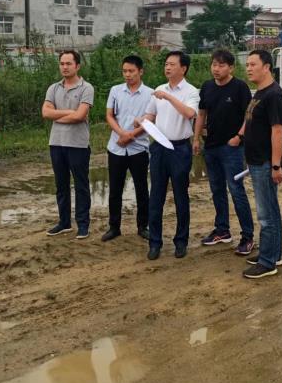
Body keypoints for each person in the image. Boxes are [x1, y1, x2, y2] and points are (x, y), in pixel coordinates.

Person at [137, 51, 199, 261]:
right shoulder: (159, 89)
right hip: (159, 148)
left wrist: (170, 98)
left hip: (180, 149)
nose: (168, 68)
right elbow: (151, 114)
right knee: (156, 196)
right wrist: (142, 121)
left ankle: (181, 241)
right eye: (166, 64)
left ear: (183, 68)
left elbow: (190, 114)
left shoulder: (191, 91)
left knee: (181, 196)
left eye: (172, 64)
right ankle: (155, 242)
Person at [194, 49, 255, 255]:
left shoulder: (240, 87)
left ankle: (247, 236)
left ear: (231, 68)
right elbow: (202, 113)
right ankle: (222, 230)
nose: (216, 69)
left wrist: (239, 137)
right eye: (214, 64)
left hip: (232, 149)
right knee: (217, 190)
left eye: (221, 65)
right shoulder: (207, 87)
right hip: (211, 146)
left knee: (236, 190)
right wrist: (196, 138)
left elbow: (249, 116)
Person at [239, 50, 282, 279]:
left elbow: (277, 131)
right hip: (256, 160)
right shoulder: (260, 92)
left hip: (265, 163)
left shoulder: (273, 95)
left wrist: (275, 166)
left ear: (266, 67)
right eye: (247, 64)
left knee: (266, 215)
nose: (249, 68)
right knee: (271, 211)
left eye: (253, 64)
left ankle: (268, 263)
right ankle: (273, 254)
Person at [41, 50, 95, 239]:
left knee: (81, 185)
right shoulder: (53, 88)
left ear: (77, 66)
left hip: (78, 144)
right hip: (56, 143)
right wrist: (70, 113)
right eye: (62, 63)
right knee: (61, 185)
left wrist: (58, 116)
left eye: (68, 64)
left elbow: (80, 116)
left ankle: (83, 224)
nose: (65, 67)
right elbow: (45, 113)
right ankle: (64, 223)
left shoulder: (86, 88)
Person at [102, 55, 154, 242]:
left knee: (141, 189)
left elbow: (150, 120)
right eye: (125, 71)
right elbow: (109, 115)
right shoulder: (116, 91)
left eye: (131, 71)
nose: (128, 75)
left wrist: (131, 135)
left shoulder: (150, 94)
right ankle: (114, 227)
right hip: (116, 148)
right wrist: (121, 133)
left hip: (138, 149)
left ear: (141, 71)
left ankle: (143, 226)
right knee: (115, 189)